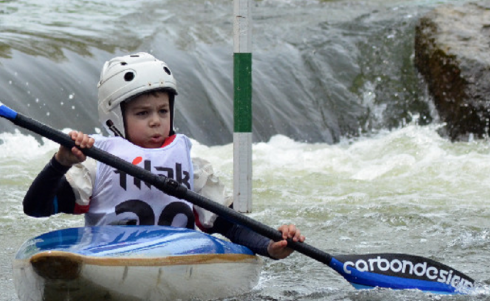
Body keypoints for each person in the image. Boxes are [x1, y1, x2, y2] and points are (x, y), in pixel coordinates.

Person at [22, 52, 304, 260]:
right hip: (111, 257)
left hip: (177, 261)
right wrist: (60, 163)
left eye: (162, 111)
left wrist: (271, 246)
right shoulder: (95, 162)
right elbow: (36, 207)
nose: (156, 121)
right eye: (142, 113)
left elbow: (228, 225)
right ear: (114, 118)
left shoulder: (192, 166)